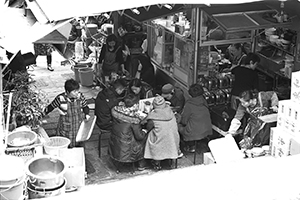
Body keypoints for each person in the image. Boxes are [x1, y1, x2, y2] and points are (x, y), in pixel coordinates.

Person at [44, 79, 90, 147]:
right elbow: (50, 107)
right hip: (65, 128)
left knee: (78, 144)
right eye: (74, 91)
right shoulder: (60, 98)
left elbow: (85, 107)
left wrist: (86, 114)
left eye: (77, 90)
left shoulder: (80, 96)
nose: (77, 93)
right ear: (67, 92)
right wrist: (40, 116)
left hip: (78, 124)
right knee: (64, 144)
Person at [109, 93, 148, 170]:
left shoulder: (115, 111)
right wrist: (145, 131)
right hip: (127, 148)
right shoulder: (134, 119)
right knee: (144, 138)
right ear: (135, 105)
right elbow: (139, 136)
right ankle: (141, 164)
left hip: (116, 143)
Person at [143, 95, 180, 170]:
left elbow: (148, 127)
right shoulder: (170, 113)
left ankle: (156, 162)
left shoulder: (153, 116)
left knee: (150, 134)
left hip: (160, 140)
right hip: (173, 139)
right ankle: (173, 162)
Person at [178, 84, 213, 152]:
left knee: (178, 126)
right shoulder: (203, 101)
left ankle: (188, 146)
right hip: (206, 130)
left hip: (193, 133)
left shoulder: (189, 105)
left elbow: (184, 121)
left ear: (190, 94)